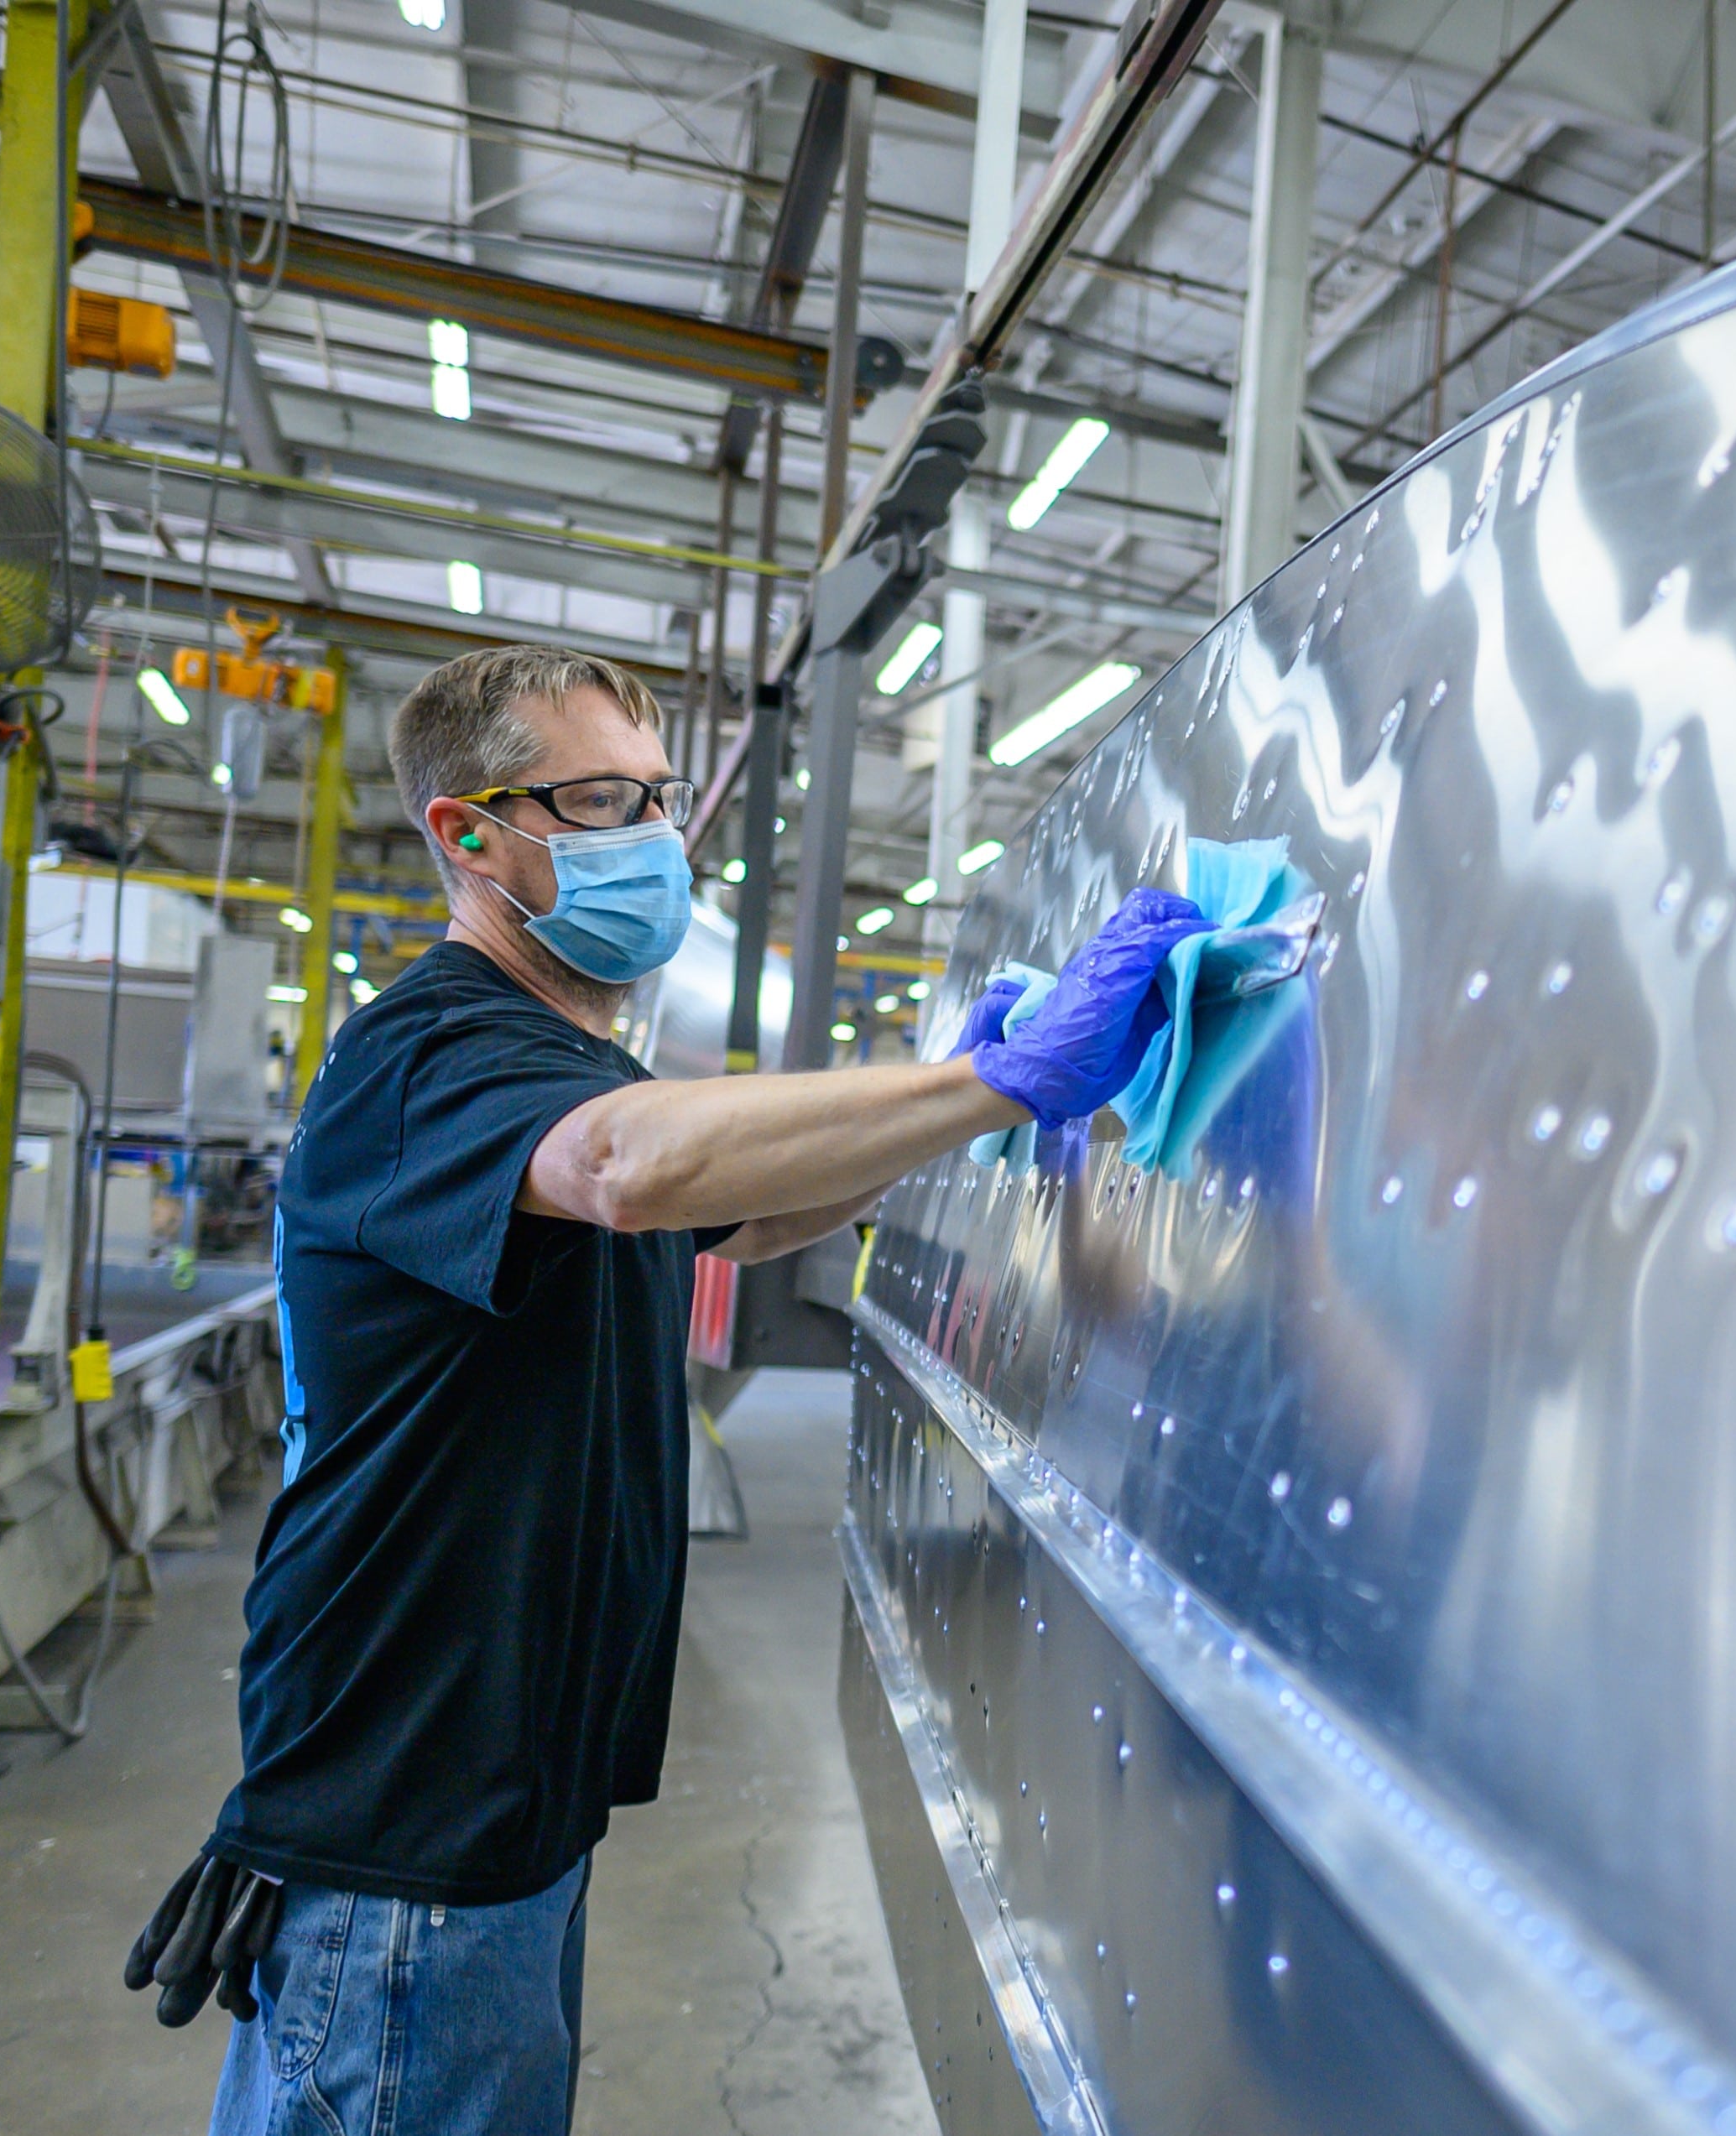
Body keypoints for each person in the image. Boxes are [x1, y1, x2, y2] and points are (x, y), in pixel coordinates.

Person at [117, 644, 1202, 2135]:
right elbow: (634, 1168)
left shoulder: (553, 1066)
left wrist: (939, 1107)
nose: (653, 841)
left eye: (660, 800)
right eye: (603, 800)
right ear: (471, 836)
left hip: (503, 1800)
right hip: (407, 1818)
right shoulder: (426, 1056)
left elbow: (736, 1216)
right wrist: (996, 1085)